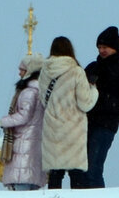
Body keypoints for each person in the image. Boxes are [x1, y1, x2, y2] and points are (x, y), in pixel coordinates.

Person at [38, 36, 98, 189]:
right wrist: (93, 89)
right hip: (73, 129)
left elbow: (43, 100)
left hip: (52, 126)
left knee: (55, 174)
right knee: (76, 174)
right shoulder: (76, 71)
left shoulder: (44, 71)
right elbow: (85, 104)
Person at [83, 26, 119, 188]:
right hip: (84, 123)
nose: (102, 50)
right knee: (80, 169)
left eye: (105, 47)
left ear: (114, 47)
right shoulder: (92, 67)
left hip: (106, 124)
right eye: (99, 47)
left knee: (93, 168)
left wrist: (101, 98)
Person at [0, 54, 45, 190]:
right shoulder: (40, 91)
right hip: (34, 142)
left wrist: (1, 122)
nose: (19, 73)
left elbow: (23, 116)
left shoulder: (28, 92)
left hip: (24, 143)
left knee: (21, 194)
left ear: (31, 71)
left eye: (22, 69)